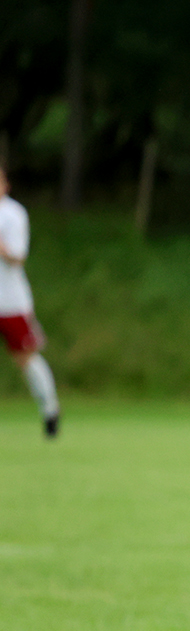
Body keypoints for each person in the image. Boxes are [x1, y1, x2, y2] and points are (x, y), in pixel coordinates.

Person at [0, 166, 61, 438]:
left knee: (25, 357)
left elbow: (18, 257)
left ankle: (50, 411)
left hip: (10, 301)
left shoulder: (13, 214)